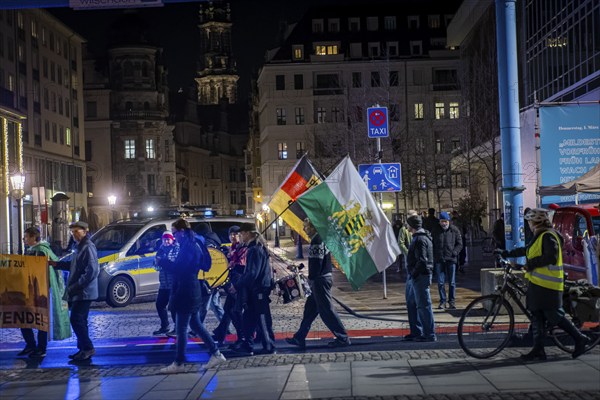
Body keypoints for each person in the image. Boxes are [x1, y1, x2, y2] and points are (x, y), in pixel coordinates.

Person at [497, 208, 591, 360]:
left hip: (549, 285)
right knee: (537, 316)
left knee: (555, 315)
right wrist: (506, 253)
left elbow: (551, 257)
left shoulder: (548, 236)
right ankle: (538, 350)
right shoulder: (539, 235)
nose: (528, 224)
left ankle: (580, 339)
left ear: (536, 221)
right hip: (539, 284)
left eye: (529, 221)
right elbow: (527, 250)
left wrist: (529, 265)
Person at [159, 218, 226, 374]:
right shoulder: (195, 243)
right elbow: (205, 265)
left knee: (181, 328)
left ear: (182, 231)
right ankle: (216, 353)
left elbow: (179, 268)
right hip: (192, 288)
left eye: (175, 233)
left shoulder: (189, 246)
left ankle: (179, 362)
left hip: (186, 290)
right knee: (195, 325)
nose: (174, 237)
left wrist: (163, 262)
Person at [285, 218, 351, 350]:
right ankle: (300, 337)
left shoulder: (317, 240)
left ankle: (342, 337)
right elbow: (317, 260)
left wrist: (311, 279)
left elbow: (317, 263)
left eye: (306, 227)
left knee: (326, 311)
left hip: (319, 280)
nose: (304, 229)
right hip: (320, 279)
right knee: (309, 310)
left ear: (313, 227)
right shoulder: (320, 239)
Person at [50, 221, 99, 362]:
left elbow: (92, 271)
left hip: (84, 291)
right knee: (81, 320)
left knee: (76, 319)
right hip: (81, 291)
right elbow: (74, 266)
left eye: (77, 231)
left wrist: (77, 285)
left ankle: (88, 348)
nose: (74, 234)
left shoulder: (88, 247)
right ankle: (83, 349)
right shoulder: (79, 247)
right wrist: (57, 264)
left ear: (85, 231)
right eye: (72, 232)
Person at [18, 227, 65, 358]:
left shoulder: (42, 251)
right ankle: (31, 345)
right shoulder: (32, 250)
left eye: (26, 237)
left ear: (34, 237)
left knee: (40, 320)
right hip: (29, 290)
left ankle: (41, 347)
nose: (24, 239)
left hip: (40, 291)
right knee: (24, 319)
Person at [230, 222, 276, 355]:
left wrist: (237, 284)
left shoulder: (255, 249)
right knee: (248, 319)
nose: (240, 236)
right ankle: (247, 344)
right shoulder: (255, 248)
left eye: (241, 233)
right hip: (255, 289)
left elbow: (252, 273)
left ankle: (269, 345)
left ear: (248, 233)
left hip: (259, 289)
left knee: (262, 319)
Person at [212, 225, 247, 346]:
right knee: (229, 309)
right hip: (233, 280)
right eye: (231, 234)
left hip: (238, 282)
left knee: (235, 310)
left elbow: (242, 265)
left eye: (235, 234)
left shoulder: (242, 247)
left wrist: (233, 261)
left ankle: (243, 336)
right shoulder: (232, 247)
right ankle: (222, 332)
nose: (233, 236)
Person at [404, 215, 436, 342]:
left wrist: (413, 272)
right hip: (415, 276)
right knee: (412, 303)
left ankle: (429, 334)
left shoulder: (420, 239)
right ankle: (416, 331)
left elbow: (422, 260)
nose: (406, 226)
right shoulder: (418, 238)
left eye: (408, 224)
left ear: (412, 226)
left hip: (420, 276)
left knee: (423, 305)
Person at [431, 211, 463, 310]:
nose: (443, 223)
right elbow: (432, 244)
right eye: (442, 221)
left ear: (448, 221)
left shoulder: (454, 230)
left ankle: (452, 302)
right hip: (439, 260)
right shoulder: (435, 230)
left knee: (452, 282)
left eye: (445, 221)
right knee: (440, 282)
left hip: (451, 259)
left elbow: (460, 244)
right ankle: (442, 301)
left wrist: (455, 252)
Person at [152, 231, 178, 336]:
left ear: (172, 239)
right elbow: (156, 266)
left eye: (168, 239)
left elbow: (173, 263)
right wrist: (160, 263)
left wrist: (162, 261)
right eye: (164, 239)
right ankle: (165, 326)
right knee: (160, 304)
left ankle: (177, 328)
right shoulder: (160, 250)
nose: (166, 241)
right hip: (163, 283)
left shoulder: (176, 248)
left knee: (173, 307)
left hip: (173, 283)